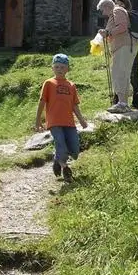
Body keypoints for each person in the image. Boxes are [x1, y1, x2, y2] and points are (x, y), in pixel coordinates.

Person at [35, 54, 87, 183]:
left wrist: (81, 120)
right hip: (54, 122)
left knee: (74, 150)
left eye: (62, 67)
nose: (59, 69)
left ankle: (57, 160)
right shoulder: (49, 83)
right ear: (52, 68)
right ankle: (65, 169)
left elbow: (74, 105)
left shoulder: (71, 85)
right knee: (61, 146)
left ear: (67, 69)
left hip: (69, 122)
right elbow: (42, 102)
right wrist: (38, 121)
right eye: (57, 66)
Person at [97, 0, 138, 113]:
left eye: (102, 10)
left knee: (118, 72)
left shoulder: (117, 10)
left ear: (106, 6)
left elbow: (123, 27)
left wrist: (108, 32)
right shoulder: (116, 12)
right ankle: (123, 103)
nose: (103, 13)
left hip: (123, 46)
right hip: (124, 46)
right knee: (122, 73)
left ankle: (122, 103)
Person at [112, 0, 138, 110]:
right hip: (132, 48)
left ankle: (122, 103)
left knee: (124, 74)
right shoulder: (128, 15)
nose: (118, 5)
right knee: (130, 75)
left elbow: (121, 29)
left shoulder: (121, 14)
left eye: (121, 3)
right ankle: (133, 103)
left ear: (125, 4)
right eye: (117, 2)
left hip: (126, 48)